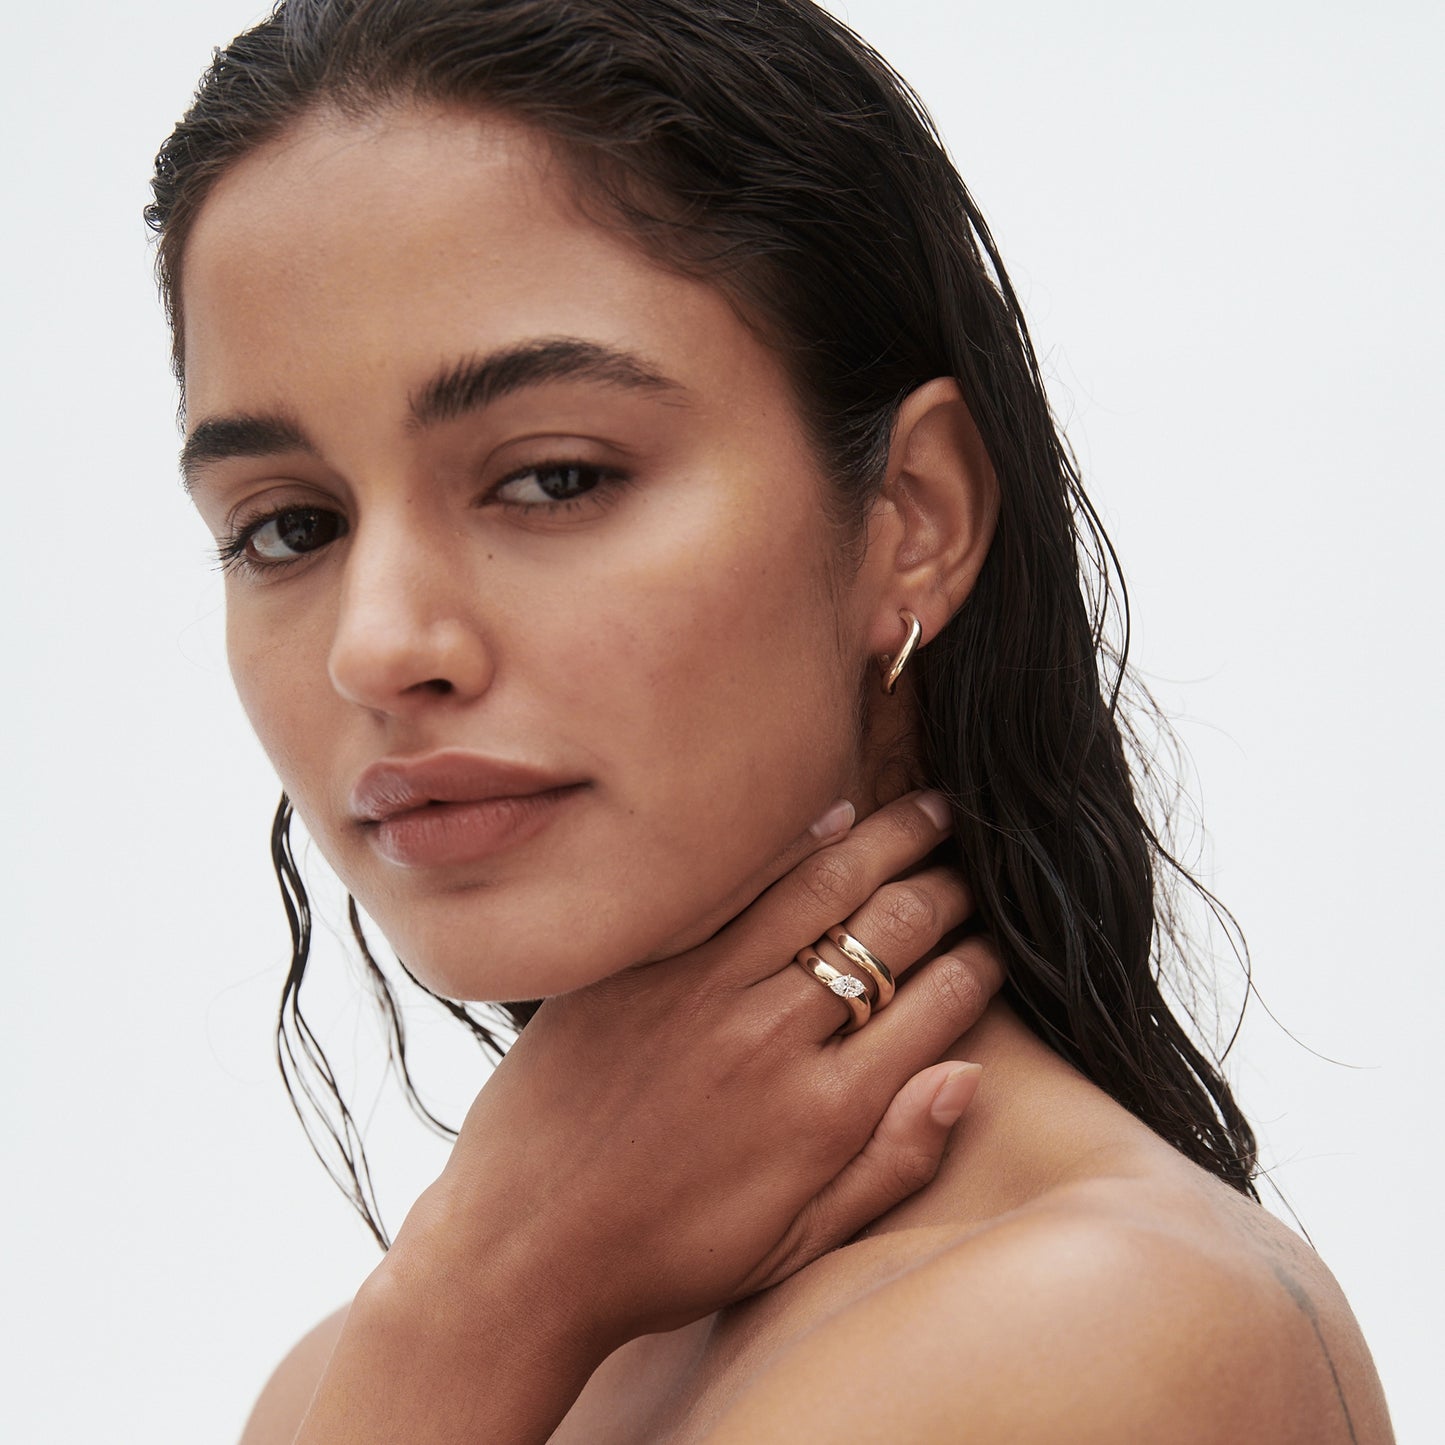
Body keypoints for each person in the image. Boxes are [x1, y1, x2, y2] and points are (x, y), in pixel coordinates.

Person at [148, 0, 1393, 1439]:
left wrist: (465, 1317)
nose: (380, 645)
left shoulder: (1095, 1327)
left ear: (912, 518)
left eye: (553, 477)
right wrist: (474, 1302)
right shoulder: (389, 1356)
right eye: (287, 525)